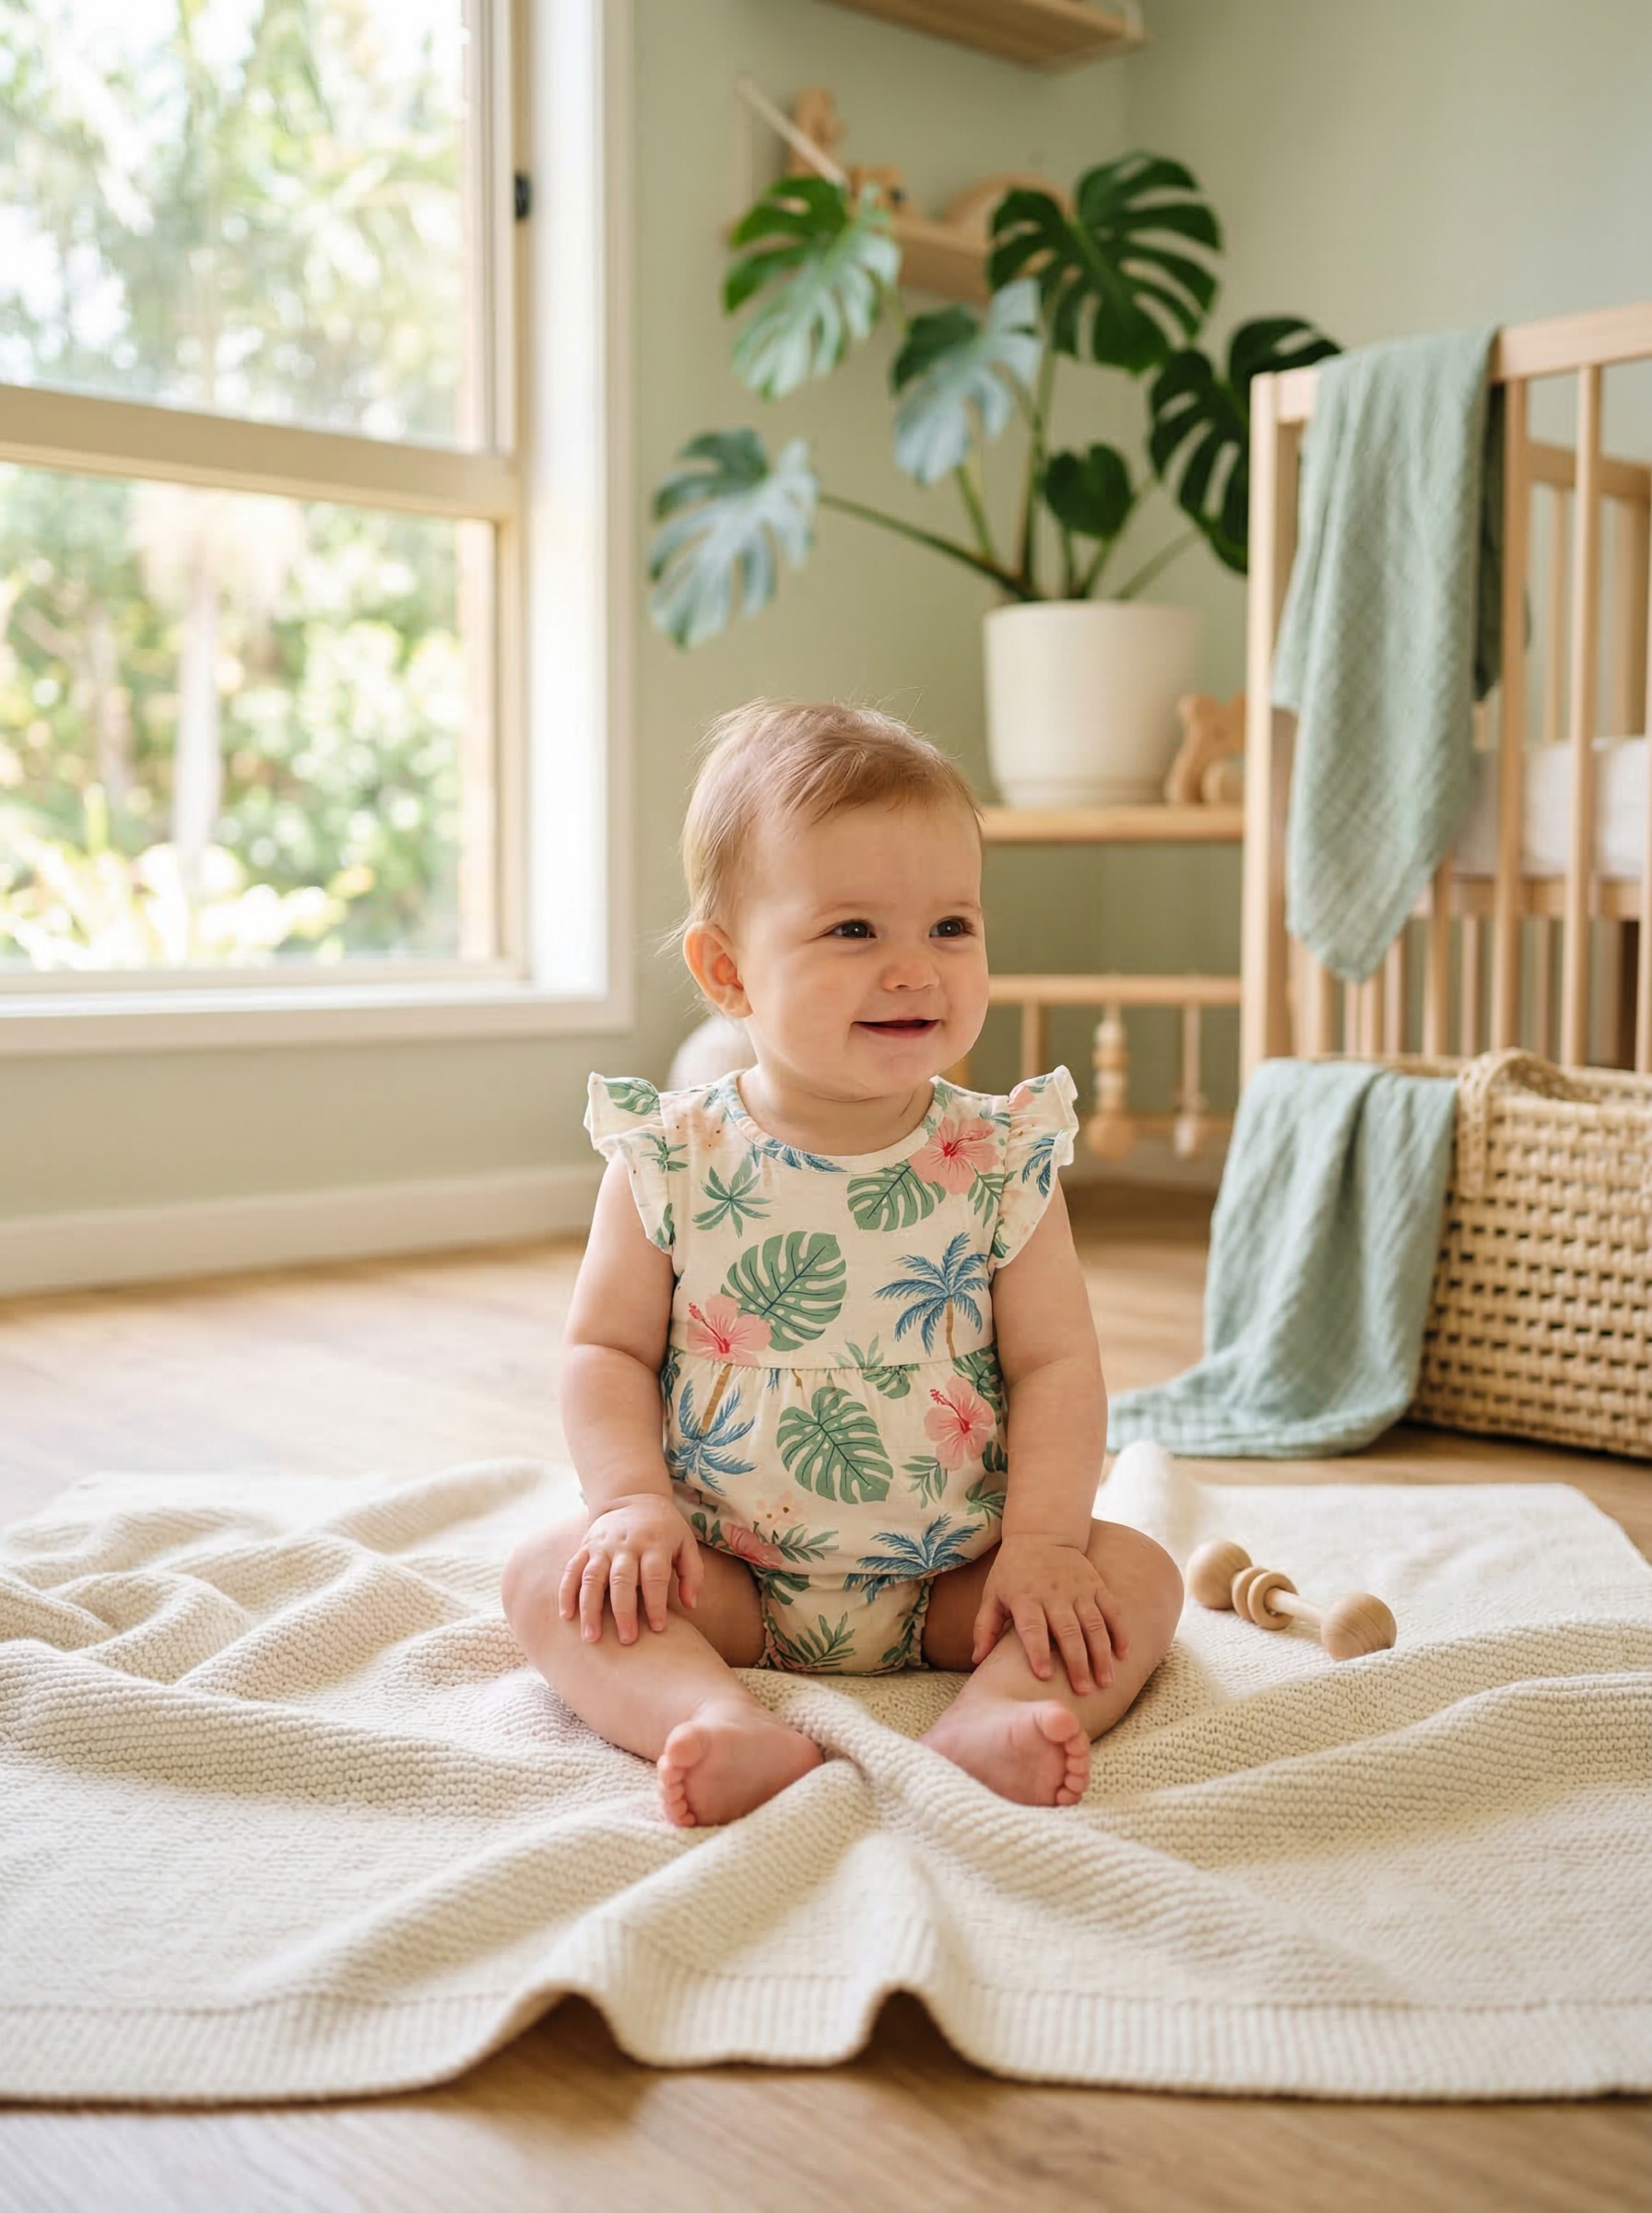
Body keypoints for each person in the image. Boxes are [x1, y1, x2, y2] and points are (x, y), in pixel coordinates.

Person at [502, 701, 1183, 1827]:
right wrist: (628, 1505)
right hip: (725, 1578)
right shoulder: (670, 1156)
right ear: (728, 972)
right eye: (854, 932)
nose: (914, 969)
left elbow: (1059, 1365)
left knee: (1138, 1581)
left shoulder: (1002, 1159)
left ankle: (992, 1717)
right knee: (545, 1578)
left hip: (959, 1579)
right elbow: (604, 1348)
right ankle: (707, 1717)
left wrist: (1048, 1547)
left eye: (951, 928)